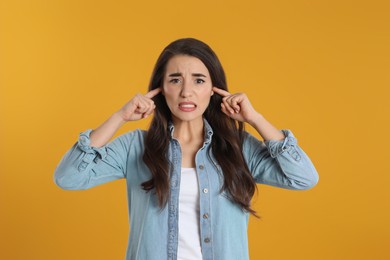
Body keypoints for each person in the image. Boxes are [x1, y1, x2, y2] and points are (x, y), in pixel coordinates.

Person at [54, 38, 319, 260]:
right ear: (161, 88)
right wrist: (119, 117)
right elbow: (67, 178)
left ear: (214, 90)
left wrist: (255, 119)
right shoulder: (136, 147)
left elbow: (303, 177)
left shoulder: (238, 148)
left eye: (199, 80)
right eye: (176, 80)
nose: (187, 92)